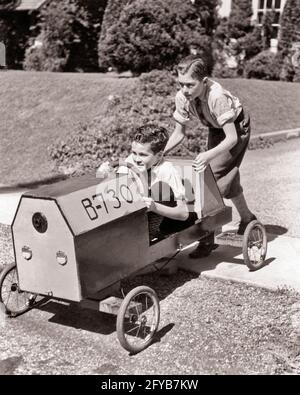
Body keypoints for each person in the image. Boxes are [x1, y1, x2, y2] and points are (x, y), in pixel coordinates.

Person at [164, 55, 256, 258]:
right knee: (221, 176)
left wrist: (207, 155)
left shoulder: (216, 96)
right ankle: (247, 218)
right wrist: (160, 153)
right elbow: (179, 133)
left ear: (204, 81)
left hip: (237, 129)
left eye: (190, 85)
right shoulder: (183, 96)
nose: (184, 90)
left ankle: (207, 236)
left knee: (209, 178)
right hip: (216, 130)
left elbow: (231, 138)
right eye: (181, 84)